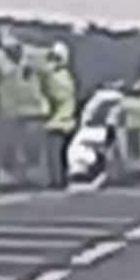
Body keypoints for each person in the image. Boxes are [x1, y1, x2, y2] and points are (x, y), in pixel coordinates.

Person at [0, 25, 52, 185]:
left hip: (33, 109)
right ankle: (9, 177)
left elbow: (50, 62)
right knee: (9, 147)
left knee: (33, 145)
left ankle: (34, 176)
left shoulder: (32, 55)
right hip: (8, 111)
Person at [42, 41, 77, 189]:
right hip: (67, 119)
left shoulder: (55, 76)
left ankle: (58, 180)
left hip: (58, 120)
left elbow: (51, 96)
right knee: (62, 152)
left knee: (55, 152)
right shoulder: (67, 76)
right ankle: (62, 178)